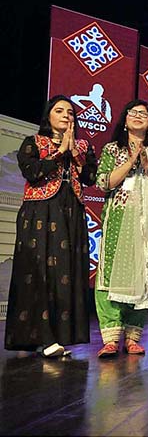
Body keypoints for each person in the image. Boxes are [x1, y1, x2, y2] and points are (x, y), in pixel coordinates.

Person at [4, 95, 97, 357]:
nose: (67, 115)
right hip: (40, 212)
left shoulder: (82, 145)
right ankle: (39, 337)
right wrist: (59, 153)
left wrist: (74, 152)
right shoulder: (33, 142)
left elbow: (90, 177)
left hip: (71, 211)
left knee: (66, 272)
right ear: (49, 116)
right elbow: (33, 173)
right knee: (38, 271)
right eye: (59, 110)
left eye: (70, 111)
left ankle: (59, 336)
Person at [94, 100, 148, 357]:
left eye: (144, 114)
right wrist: (130, 162)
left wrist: (147, 165)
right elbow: (104, 182)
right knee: (113, 273)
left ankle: (132, 336)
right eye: (133, 112)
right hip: (119, 220)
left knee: (144, 272)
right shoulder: (111, 149)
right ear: (125, 119)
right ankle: (110, 337)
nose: (138, 116)